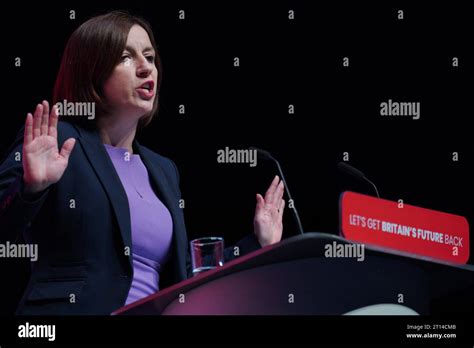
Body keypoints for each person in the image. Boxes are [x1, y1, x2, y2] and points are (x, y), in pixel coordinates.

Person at [0, 11, 285, 315]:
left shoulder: (163, 169)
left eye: (149, 56)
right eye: (126, 57)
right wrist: (30, 189)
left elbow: (185, 274)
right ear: (92, 71)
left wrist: (257, 242)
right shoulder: (60, 140)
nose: (145, 66)